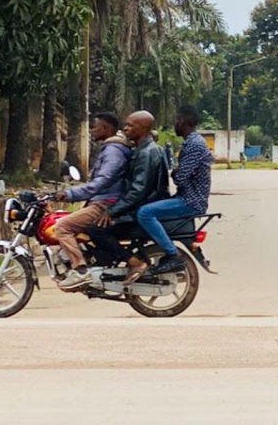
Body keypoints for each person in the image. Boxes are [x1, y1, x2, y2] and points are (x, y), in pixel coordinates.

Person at [52, 113, 134, 290]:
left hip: (105, 203)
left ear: (106, 128)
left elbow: (102, 181)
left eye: (95, 126)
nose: (91, 130)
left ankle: (80, 271)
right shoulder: (111, 148)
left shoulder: (114, 151)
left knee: (62, 227)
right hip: (103, 200)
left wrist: (71, 194)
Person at [134, 105, 212, 277]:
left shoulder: (194, 144)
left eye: (176, 121)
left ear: (182, 122)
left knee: (145, 213)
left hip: (190, 201)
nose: (174, 125)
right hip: (186, 197)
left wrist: (176, 172)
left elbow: (180, 177)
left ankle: (173, 255)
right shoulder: (191, 143)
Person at [105, 111, 171, 283]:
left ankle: (133, 262)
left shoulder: (147, 153)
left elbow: (138, 190)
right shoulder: (141, 149)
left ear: (143, 128)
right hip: (141, 205)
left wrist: (112, 211)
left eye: (130, 125)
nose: (125, 128)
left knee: (95, 228)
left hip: (140, 209)